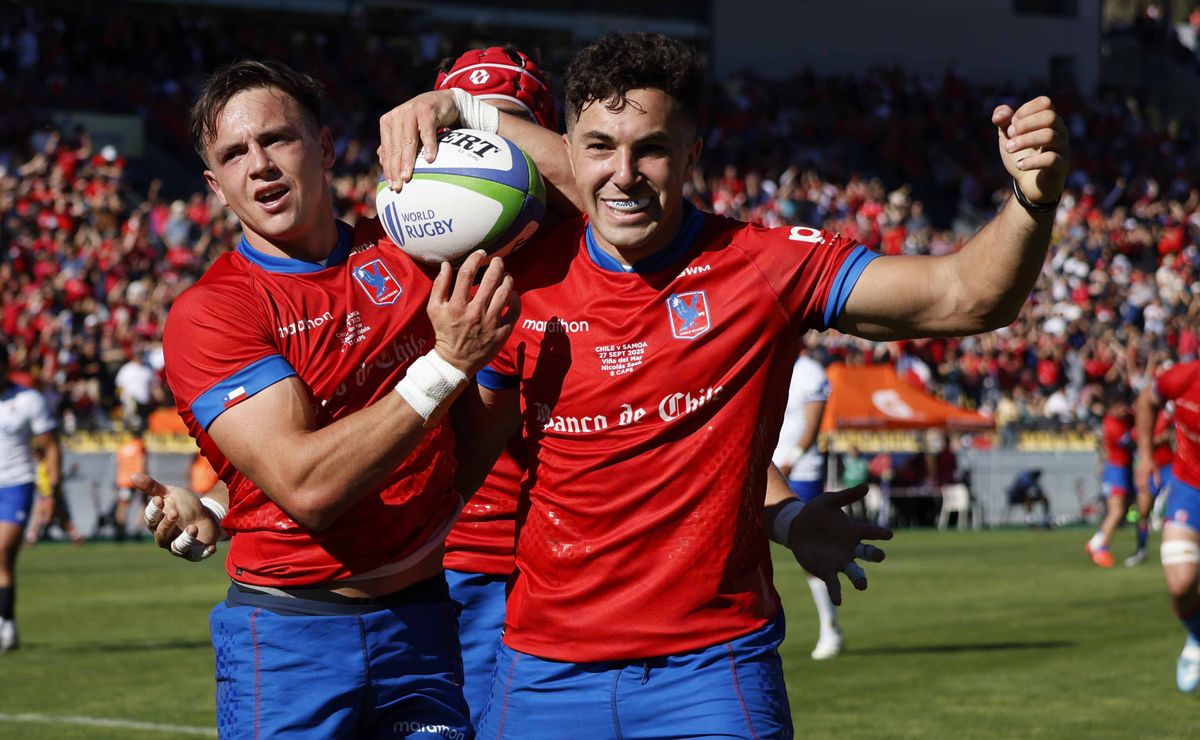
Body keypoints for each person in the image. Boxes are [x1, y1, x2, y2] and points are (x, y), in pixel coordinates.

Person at [381, 30, 1067, 737]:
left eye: (651, 148)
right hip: (541, 672)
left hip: (710, 669)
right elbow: (460, 474)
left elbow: (967, 296)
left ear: (693, 155)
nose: (623, 173)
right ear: (568, 152)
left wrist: (1032, 198)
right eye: (599, 147)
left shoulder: (762, 265)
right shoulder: (517, 288)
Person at [150, 59, 518, 737]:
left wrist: (470, 111)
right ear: (216, 186)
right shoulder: (213, 312)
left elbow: (471, 441)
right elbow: (308, 486)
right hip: (292, 638)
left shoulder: (413, 251)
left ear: (322, 147)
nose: (259, 164)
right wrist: (447, 364)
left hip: (420, 623)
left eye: (276, 139)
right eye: (234, 154)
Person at [772, 349, 842, 660]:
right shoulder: (768, 361)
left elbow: (811, 428)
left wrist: (789, 462)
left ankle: (830, 626)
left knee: (808, 551)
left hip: (799, 472)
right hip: (767, 469)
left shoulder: (810, 371)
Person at [1135, 361, 1200, 693]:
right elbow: (1146, 400)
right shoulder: (1185, 377)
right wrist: (1145, 456)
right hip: (1190, 488)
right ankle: (1197, 637)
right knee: (1180, 584)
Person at [0, 341, 61, 651]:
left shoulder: (27, 400)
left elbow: (49, 446)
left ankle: (5, 623)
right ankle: (6, 621)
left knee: (2, 552)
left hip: (16, 484)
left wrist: (50, 493)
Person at [1086, 386, 1136, 567]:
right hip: (1116, 470)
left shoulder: (1121, 419)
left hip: (1122, 469)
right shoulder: (1112, 425)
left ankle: (1096, 543)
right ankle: (1100, 549)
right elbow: (1129, 442)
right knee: (1116, 511)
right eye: (1119, 406)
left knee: (1122, 508)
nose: (1123, 409)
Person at [1125, 404, 1173, 567]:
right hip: (1148, 472)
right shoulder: (1136, 428)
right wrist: (1157, 440)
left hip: (1167, 468)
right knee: (1143, 512)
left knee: (1175, 503)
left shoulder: (1164, 417)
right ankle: (1141, 550)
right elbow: (1134, 443)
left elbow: (1175, 429)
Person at [108, 420, 147, 542]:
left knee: (123, 506)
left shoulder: (123, 447)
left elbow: (118, 464)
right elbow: (143, 463)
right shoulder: (140, 445)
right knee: (144, 504)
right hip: (138, 479)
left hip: (123, 480)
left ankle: (120, 531)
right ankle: (137, 530)